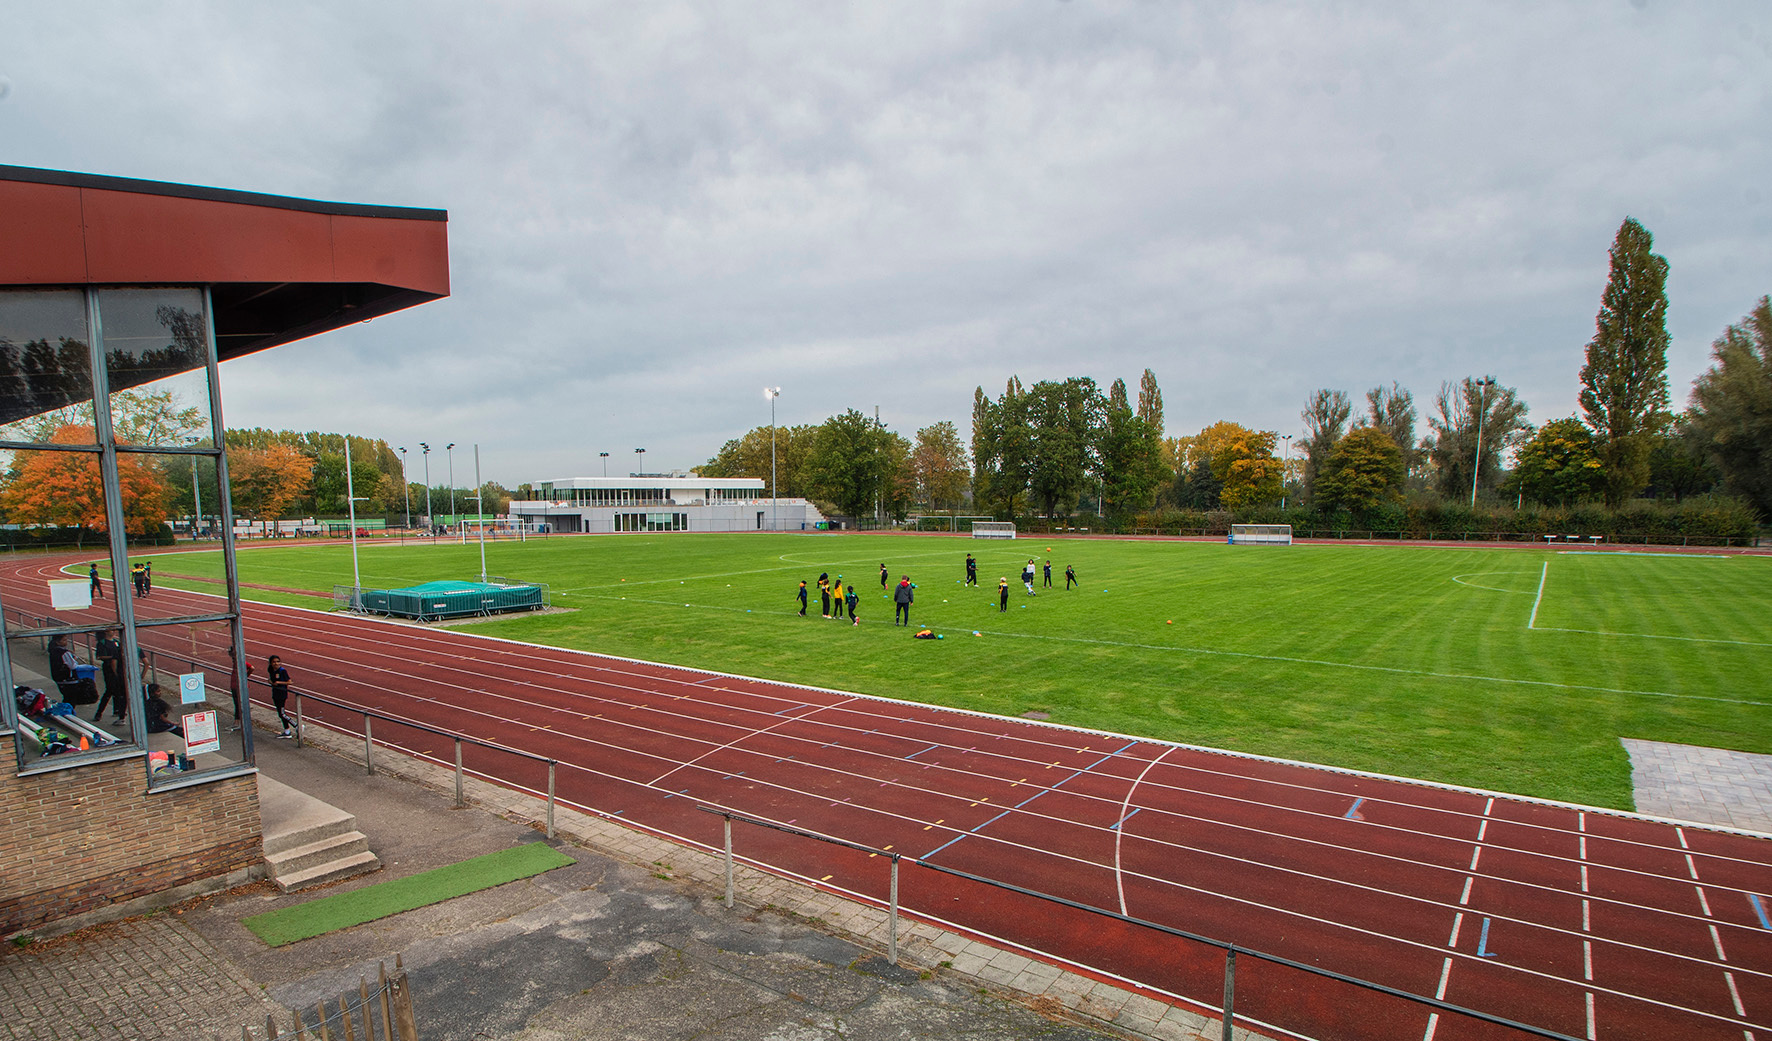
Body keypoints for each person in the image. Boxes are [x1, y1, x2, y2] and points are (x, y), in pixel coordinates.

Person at [94, 629, 125, 723]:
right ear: (106, 632)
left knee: (118, 690)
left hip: (118, 668)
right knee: (109, 690)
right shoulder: (102, 643)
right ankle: (99, 713)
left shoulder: (116, 642)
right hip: (108, 668)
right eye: (111, 630)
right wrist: (113, 658)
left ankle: (117, 710)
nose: (113, 631)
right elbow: (99, 656)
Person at [268, 654, 294, 738]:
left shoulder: (282, 671)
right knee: (280, 713)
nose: (276, 663)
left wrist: (279, 683)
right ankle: (287, 731)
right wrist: (271, 682)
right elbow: (272, 680)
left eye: (277, 661)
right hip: (275, 693)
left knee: (282, 713)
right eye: (274, 662)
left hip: (282, 694)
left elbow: (289, 682)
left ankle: (297, 726)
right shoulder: (271, 670)